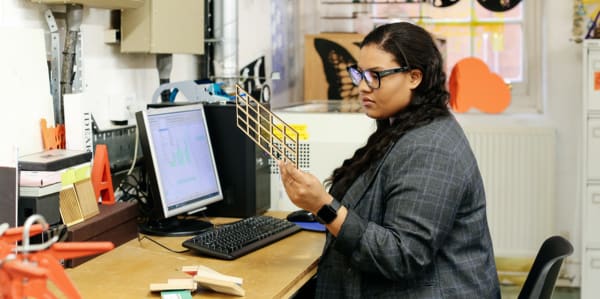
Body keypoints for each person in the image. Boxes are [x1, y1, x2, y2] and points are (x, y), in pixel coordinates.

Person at [278, 22, 500, 298]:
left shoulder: (430, 148)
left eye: (376, 75)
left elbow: (401, 256)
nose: (363, 87)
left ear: (414, 77)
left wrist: (322, 205)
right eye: (360, 74)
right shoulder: (404, 127)